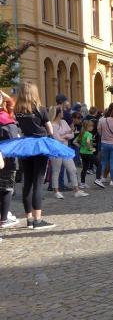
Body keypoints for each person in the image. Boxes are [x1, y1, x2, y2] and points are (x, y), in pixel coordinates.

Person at [15, 82, 56, 229]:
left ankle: (29, 219)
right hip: (39, 145)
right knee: (38, 182)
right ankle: (38, 220)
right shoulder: (40, 109)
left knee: (27, 182)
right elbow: (50, 130)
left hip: (25, 145)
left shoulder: (17, 110)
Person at [50, 107, 88, 199]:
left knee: (72, 169)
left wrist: (64, 135)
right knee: (56, 171)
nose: (63, 113)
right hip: (56, 150)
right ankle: (56, 191)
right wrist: (66, 135)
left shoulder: (63, 122)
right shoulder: (52, 125)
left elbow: (72, 134)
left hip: (65, 149)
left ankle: (76, 190)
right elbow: (57, 139)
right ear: (58, 113)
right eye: (62, 111)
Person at [0, 91, 20, 229]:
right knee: (7, 188)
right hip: (7, 159)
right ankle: (4, 218)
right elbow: (14, 143)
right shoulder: (7, 121)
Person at [78, 120, 96, 188]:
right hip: (88, 153)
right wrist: (90, 148)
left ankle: (82, 183)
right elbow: (88, 142)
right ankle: (98, 179)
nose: (93, 128)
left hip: (82, 152)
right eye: (92, 126)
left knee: (84, 168)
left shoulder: (82, 133)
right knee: (98, 164)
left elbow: (74, 141)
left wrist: (81, 146)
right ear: (88, 127)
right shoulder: (89, 134)